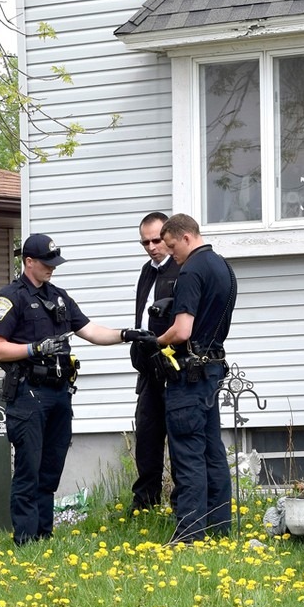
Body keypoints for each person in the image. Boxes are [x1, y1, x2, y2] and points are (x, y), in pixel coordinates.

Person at [0, 233, 154, 545]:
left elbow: (89, 330)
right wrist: (34, 349)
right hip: (28, 393)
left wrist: (126, 334)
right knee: (29, 468)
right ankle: (25, 540)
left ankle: (43, 537)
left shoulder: (60, 297)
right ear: (29, 262)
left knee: (50, 469)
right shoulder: (10, 298)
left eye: (54, 263)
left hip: (59, 392)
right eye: (47, 263)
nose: (52, 268)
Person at [155, 213, 238, 543]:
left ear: (186, 237)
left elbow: (183, 329)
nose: (171, 254)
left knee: (188, 455)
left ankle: (189, 536)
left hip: (189, 374)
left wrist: (155, 342)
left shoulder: (190, 270)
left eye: (172, 246)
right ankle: (219, 531)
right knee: (213, 454)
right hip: (214, 367)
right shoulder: (223, 267)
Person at [129, 212, 179, 513]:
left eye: (156, 240)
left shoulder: (182, 270)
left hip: (173, 367)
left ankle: (180, 504)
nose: (151, 246)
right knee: (147, 436)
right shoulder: (147, 272)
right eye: (145, 242)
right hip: (148, 369)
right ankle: (145, 502)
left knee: (177, 438)